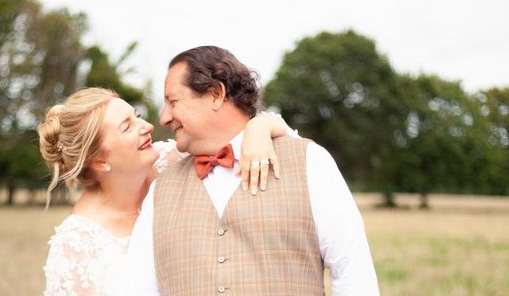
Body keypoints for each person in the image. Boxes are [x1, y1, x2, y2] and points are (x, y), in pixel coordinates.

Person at [127, 46, 380, 295]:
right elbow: (138, 289)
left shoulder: (310, 161)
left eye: (173, 102)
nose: (163, 118)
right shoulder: (161, 189)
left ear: (216, 94)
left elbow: (354, 276)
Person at [38, 87, 292, 296]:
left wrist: (259, 128)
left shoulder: (172, 160)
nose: (147, 125)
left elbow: (237, 133)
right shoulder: (76, 245)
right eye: (126, 127)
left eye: (136, 115)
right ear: (98, 161)